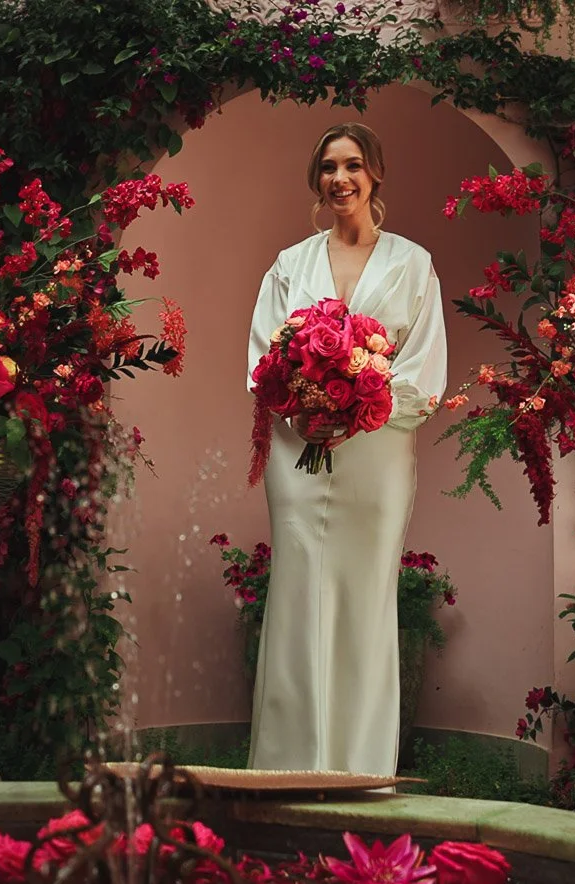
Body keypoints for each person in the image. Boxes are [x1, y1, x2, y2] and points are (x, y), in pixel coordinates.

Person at [245, 122, 449, 776]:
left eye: (353, 165)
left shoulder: (413, 264)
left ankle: (359, 772)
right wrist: (305, 411)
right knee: (298, 597)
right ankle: (286, 769)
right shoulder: (290, 265)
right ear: (317, 178)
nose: (341, 179)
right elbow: (262, 361)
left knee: (365, 603)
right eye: (330, 167)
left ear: (376, 173)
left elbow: (424, 369)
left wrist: (359, 406)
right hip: (297, 455)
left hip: (376, 456)